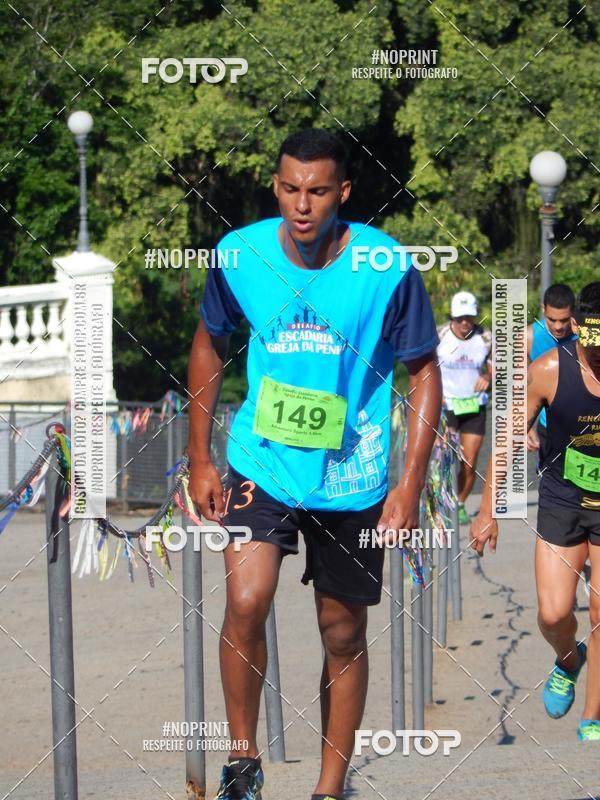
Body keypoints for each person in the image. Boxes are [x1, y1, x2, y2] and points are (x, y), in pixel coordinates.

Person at [187, 128, 442, 800]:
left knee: (341, 629)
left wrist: (409, 485)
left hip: (352, 476)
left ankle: (329, 788)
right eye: (291, 189)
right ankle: (243, 761)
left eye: (318, 191)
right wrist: (199, 457)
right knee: (246, 598)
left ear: (343, 193)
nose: (303, 204)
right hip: (261, 460)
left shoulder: (384, 267)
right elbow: (210, 349)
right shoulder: (239, 255)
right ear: (277, 187)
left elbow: (425, 375)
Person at [471, 282, 600, 741]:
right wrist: (488, 510)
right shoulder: (546, 369)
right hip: (563, 497)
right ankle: (568, 659)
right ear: (581, 334)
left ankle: (593, 715)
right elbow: (506, 438)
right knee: (552, 614)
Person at [437, 291, 491, 524]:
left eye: (469, 317)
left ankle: (459, 502)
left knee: (468, 463)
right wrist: (434, 395)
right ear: (452, 317)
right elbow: (424, 367)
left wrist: (489, 376)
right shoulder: (439, 336)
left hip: (474, 406)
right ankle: (441, 504)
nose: (464, 323)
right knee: (446, 459)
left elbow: (502, 366)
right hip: (446, 406)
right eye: (459, 318)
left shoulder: (486, 338)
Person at [526, 283, 577, 459]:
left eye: (564, 320)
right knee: (550, 483)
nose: (558, 327)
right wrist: (525, 428)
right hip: (548, 427)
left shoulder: (587, 336)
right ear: (542, 309)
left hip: (584, 428)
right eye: (552, 319)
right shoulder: (528, 337)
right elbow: (520, 387)